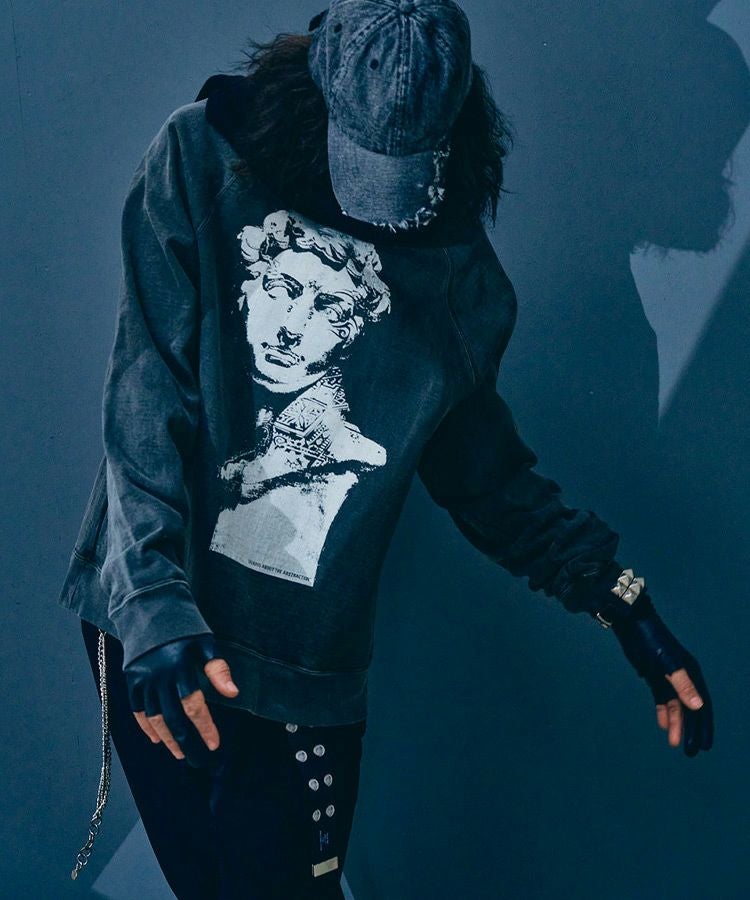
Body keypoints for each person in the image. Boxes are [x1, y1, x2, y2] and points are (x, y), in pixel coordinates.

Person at [56, 1, 714, 898]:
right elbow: (145, 395)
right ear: (317, 85)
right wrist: (152, 609)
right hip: (158, 637)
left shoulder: (458, 278)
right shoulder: (199, 158)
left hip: (304, 674)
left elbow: (490, 481)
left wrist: (625, 606)